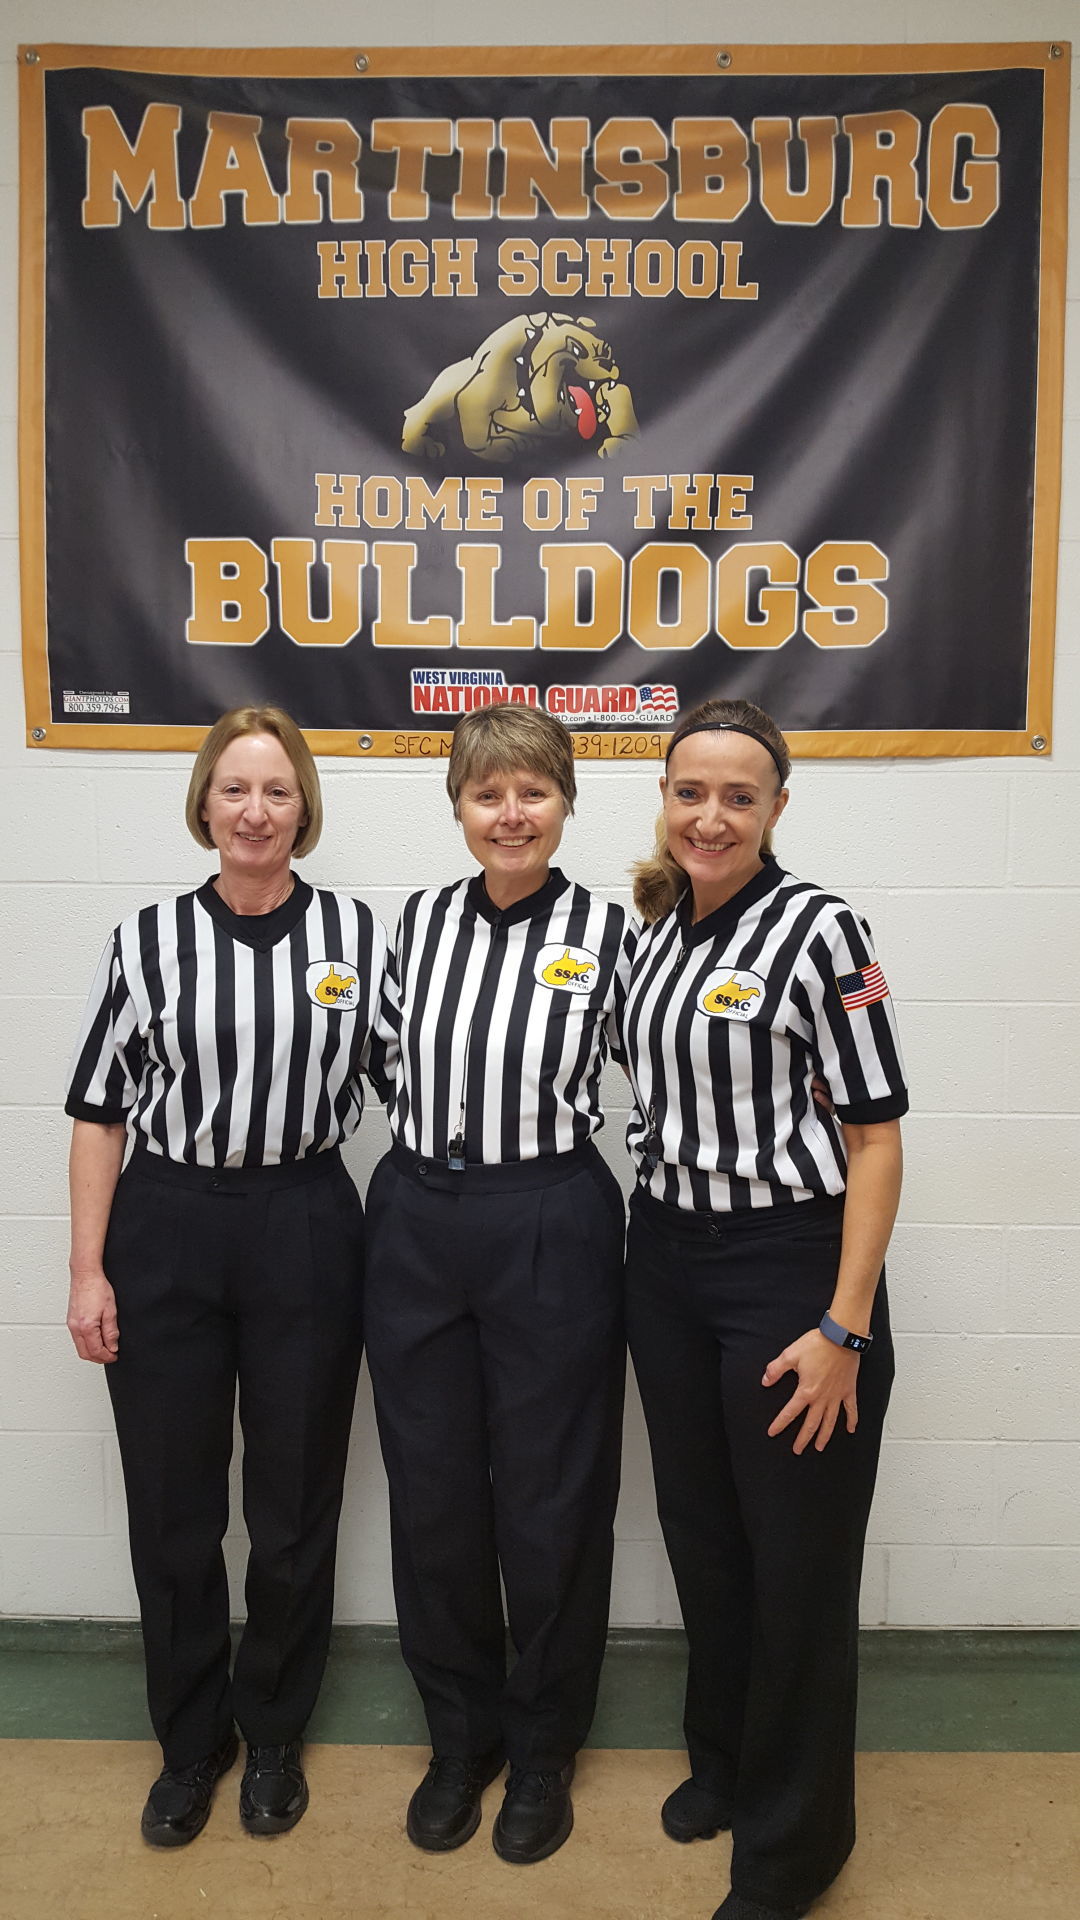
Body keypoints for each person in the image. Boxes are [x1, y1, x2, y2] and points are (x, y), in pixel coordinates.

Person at [64, 706, 396, 1848]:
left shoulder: (359, 939)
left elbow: (417, 1076)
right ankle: (190, 1740)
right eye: (235, 789)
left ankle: (274, 1734)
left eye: (279, 791)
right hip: (167, 1223)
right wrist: (88, 1270)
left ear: (306, 810)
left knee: (295, 1505)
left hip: (304, 1218)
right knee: (174, 1505)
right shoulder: (146, 940)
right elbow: (100, 1114)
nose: (256, 811)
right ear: (204, 803)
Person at [622, 698, 907, 1920]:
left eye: (741, 795)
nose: (713, 814)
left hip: (791, 1271)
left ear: (777, 809)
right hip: (667, 1262)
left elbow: (878, 1137)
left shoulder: (823, 931)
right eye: (693, 791)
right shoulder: (654, 930)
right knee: (707, 1540)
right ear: (668, 800)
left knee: (795, 1567)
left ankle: (795, 1850)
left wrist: (845, 1327)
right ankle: (728, 1767)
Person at [363, 703, 634, 1865]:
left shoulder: (620, 937)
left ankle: (540, 1751)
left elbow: (680, 1065)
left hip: (549, 1217)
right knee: (433, 1495)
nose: (510, 812)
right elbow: (376, 1059)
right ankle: (459, 1738)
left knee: (550, 1499)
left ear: (565, 802)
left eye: (532, 790)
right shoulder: (412, 927)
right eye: (487, 793)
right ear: (459, 808)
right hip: (419, 1215)